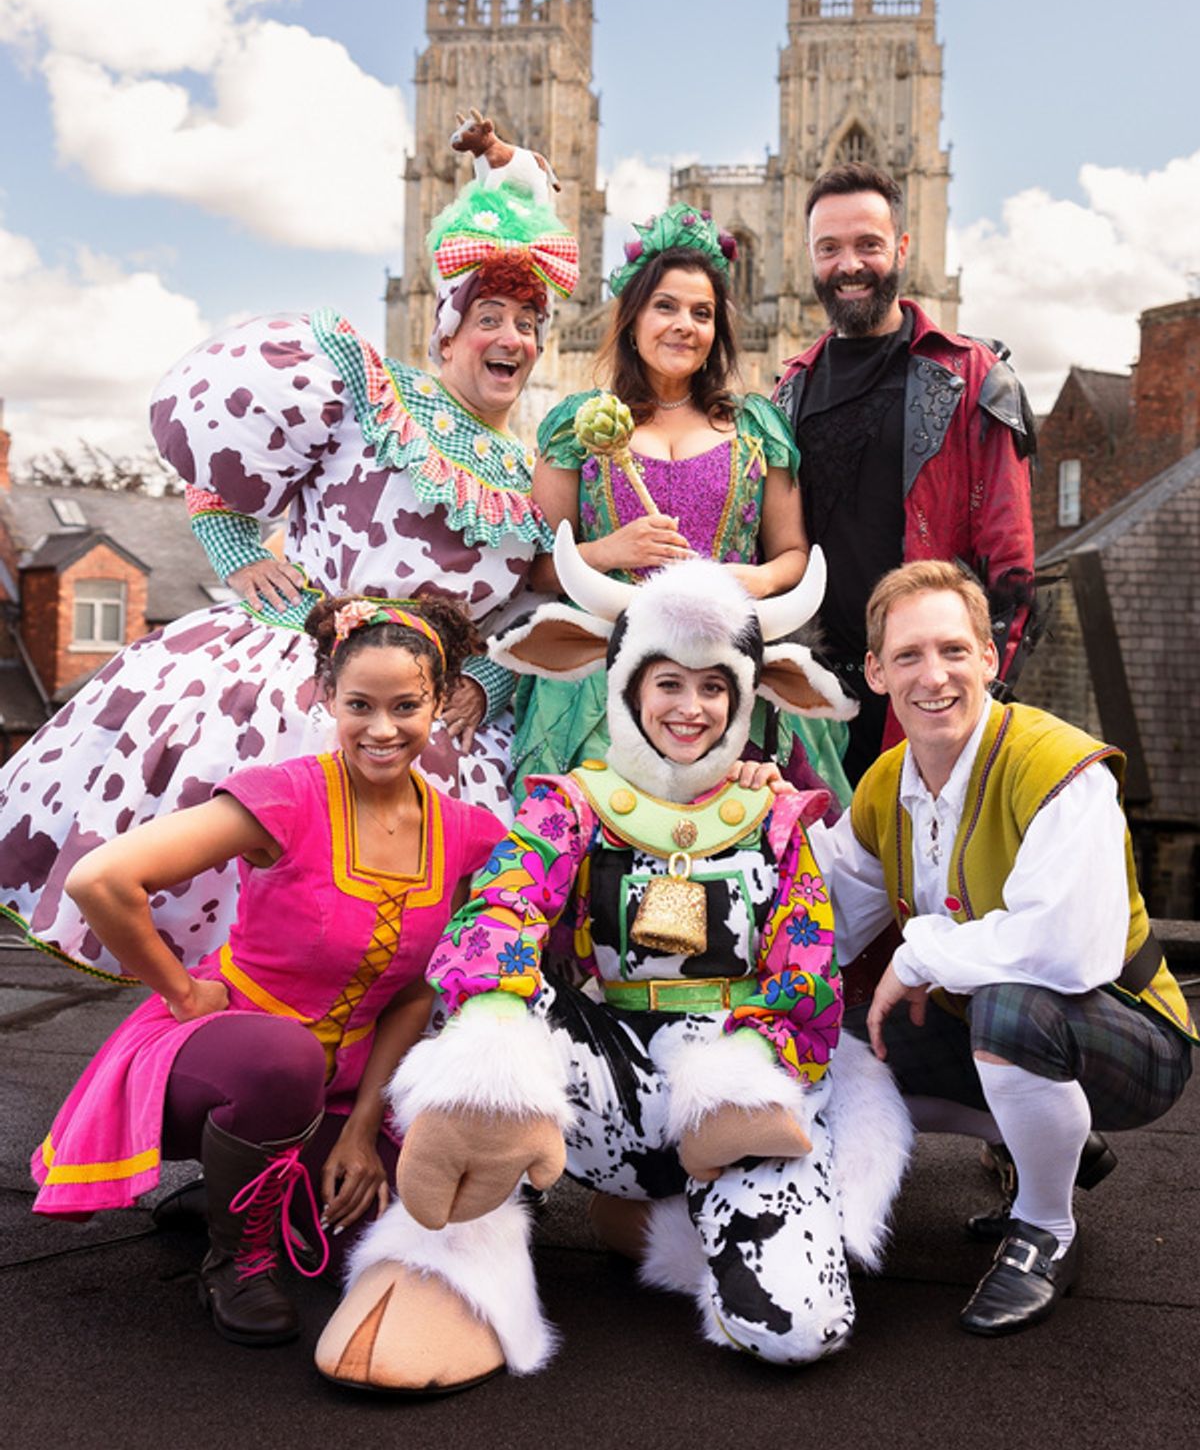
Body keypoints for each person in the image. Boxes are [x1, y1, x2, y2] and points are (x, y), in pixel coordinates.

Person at [313, 527, 910, 1392]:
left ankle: (659, 1218)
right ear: (626, 684)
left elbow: (807, 967)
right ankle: (445, 1268)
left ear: (751, 695)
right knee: (491, 1048)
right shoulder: (572, 805)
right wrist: (489, 1024)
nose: (690, 708)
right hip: (600, 1071)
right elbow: (502, 908)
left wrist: (754, 1060)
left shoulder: (776, 820)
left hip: (735, 1101)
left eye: (715, 686)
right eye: (667, 681)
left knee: (797, 1331)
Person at [0, 136, 576, 977]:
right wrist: (234, 548)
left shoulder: (533, 476)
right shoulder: (371, 392)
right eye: (489, 317)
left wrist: (485, 680)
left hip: (424, 712)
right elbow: (222, 456)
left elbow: (529, 613)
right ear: (446, 332)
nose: (512, 338)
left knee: (400, 945)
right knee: (251, 892)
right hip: (294, 671)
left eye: (528, 323)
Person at [29, 596, 506, 1348]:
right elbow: (101, 880)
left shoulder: (466, 831)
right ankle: (236, 1258)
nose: (382, 729)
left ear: (439, 702)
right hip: (225, 1058)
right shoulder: (286, 794)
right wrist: (184, 991)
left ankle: (236, 1196)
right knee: (281, 1061)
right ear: (324, 697)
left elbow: (415, 994)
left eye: (407, 706)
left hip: (341, 1085)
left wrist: (359, 1133)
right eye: (359, 705)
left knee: (392, 1225)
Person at [812, 560, 1196, 1336]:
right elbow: (820, 914)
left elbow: (1066, 950)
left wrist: (917, 954)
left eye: (955, 650)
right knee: (831, 1057)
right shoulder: (886, 782)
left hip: (1131, 1034)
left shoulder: (1059, 765)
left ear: (990, 659)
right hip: (981, 1025)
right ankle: (1044, 1134)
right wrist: (738, 811)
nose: (935, 675)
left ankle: (1046, 1230)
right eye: (910, 656)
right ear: (877, 673)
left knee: (1012, 1008)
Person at [515, 200, 850, 810]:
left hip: (725, 676)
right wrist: (606, 551)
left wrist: (757, 577)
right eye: (665, 307)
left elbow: (794, 554)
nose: (683, 326)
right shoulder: (576, 427)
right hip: (602, 685)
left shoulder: (757, 428)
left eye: (702, 313)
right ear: (633, 317)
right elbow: (535, 568)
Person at [774, 161, 1036, 786]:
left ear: (902, 248)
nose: (850, 265)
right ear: (810, 258)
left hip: (930, 699)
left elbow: (1013, 569)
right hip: (817, 707)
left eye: (869, 244)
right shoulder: (790, 389)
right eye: (830, 248)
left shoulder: (971, 377)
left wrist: (975, 704)